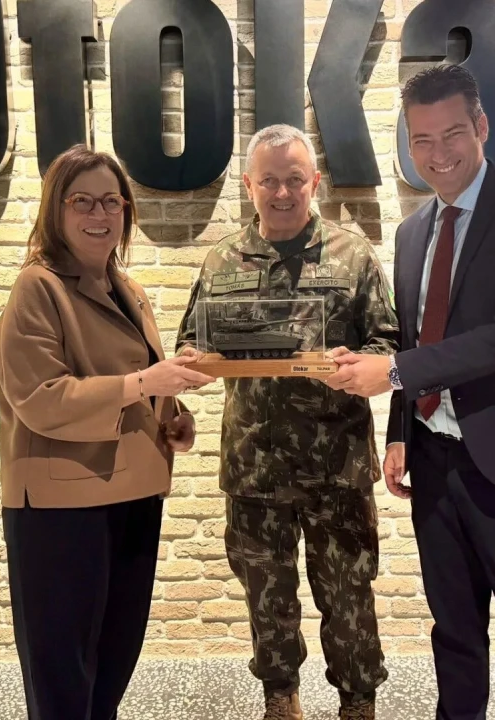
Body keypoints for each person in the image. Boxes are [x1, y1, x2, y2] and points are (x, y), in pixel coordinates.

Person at [324, 65, 495, 720]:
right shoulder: (412, 232)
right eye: (421, 139)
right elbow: (415, 338)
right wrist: (400, 431)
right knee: (454, 634)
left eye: (451, 134)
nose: (437, 153)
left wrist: (392, 374)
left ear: (482, 127)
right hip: (435, 463)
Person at [175, 124, 399, 720]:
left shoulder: (353, 256)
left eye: (294, 179)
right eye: (269, 180)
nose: (282, 192)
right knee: (266, 598)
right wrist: (193, 365)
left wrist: (360, 365)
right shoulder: (221, 260)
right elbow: (190, 342)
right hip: (254, 467)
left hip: (337, 466)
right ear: (249, 186)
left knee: (348, 596)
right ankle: (280, 697)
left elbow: (389, 343)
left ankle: (358, 701)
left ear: (314, 182)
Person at [0, 145, 214, 720]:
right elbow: (41, 399)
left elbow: (138, 383)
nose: (100, 214)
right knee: (63, 680)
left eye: (112, 201)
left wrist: (171, 418)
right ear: (55, 210)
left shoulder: (127, 288)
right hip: (62, 511)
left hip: (133, 497)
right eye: (82, 201)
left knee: (112, 666)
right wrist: (144, 384)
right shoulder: (38, 287)